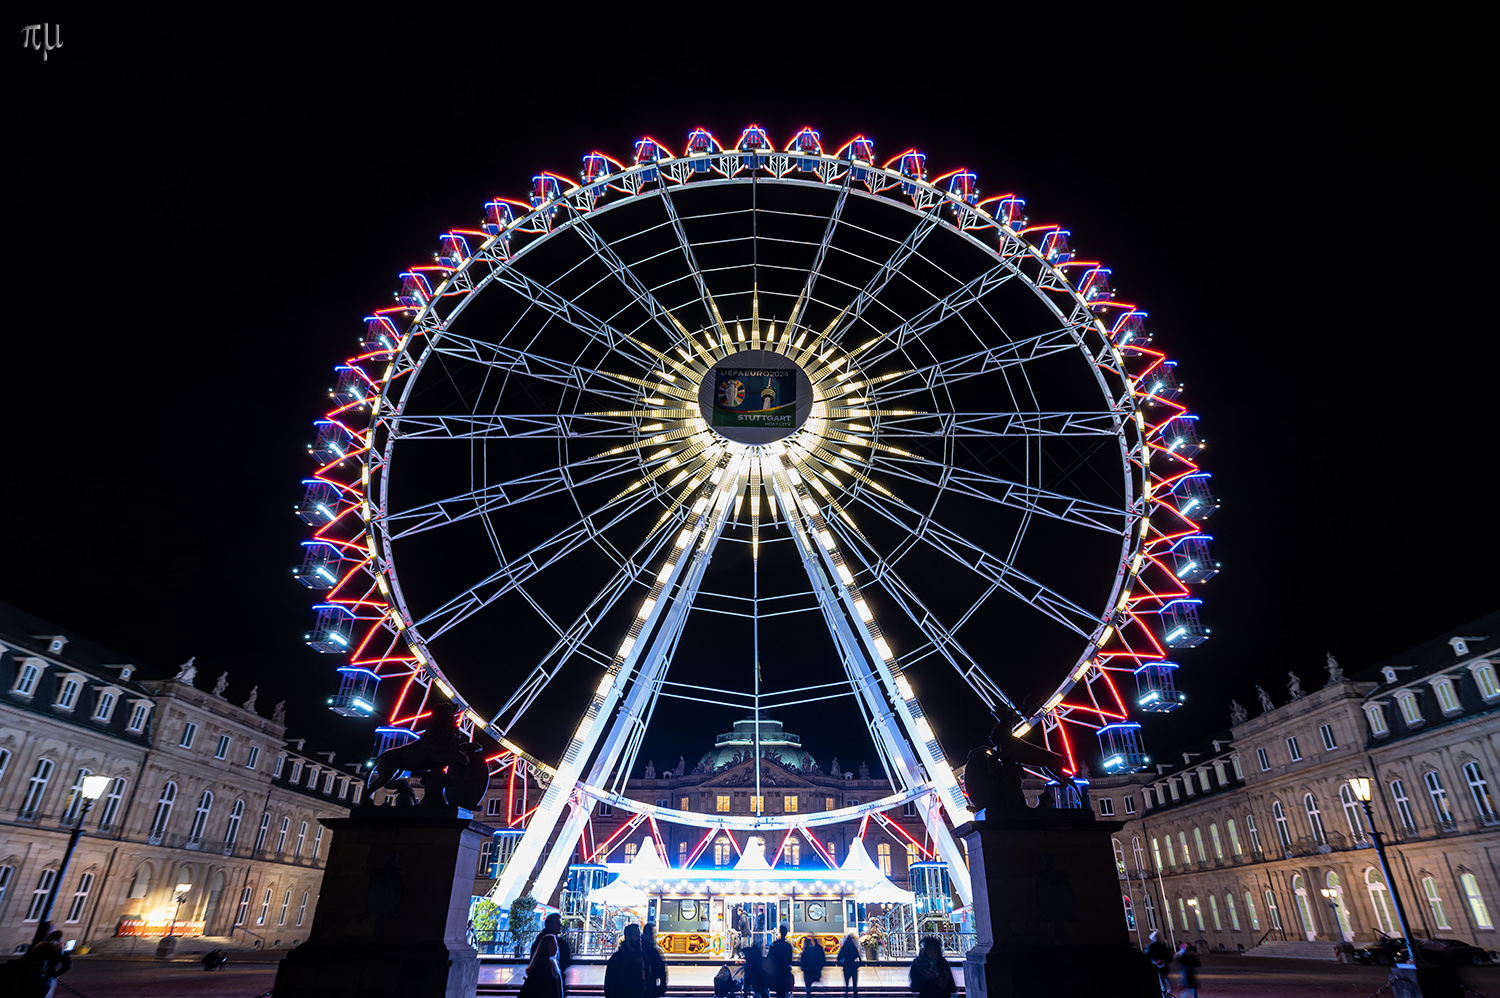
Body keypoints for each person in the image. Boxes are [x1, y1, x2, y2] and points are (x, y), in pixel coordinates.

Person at [15, 927, 71, 998]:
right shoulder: (59, 949)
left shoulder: (39, 947)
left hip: (30, 977)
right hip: (45, 980)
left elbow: (29, 961)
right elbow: (68, 965)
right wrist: (54, 974)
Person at [605, 923, 648, 998]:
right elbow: (610, 984)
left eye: (639, 934)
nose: (639, 938)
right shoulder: (617, 959)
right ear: (628, 937)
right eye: (636, 934)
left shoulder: (643, 956)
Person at [519, 933, 564, 998]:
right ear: (546, 948)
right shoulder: (542, 967)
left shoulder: (552, 963)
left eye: (556, 945)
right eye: (552, 945)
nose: (556, 948)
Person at [769, 924, 796, 998]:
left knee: (779, 991)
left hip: (777, 970)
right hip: (785, 970)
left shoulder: (776, 944)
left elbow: (771, 956)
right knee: (784, 990)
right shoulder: (788, 946)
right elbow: (790, 960)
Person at [642, 924, 669, 998]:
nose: (654, 937)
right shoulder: (650, 951)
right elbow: (661, 968)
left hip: (649, 988)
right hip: (648, 988)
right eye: (652, 934)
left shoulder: (647, 949)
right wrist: (662, 986)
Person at [836, 933, 861, 998]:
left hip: (846, 967)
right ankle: (855, 994)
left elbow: (839, 957)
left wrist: (841, 963)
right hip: (853, 967)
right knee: (854, 983)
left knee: (846, 982)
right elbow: (858, 957)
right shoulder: (853, 948)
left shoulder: (844, 947)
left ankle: (846, 993)